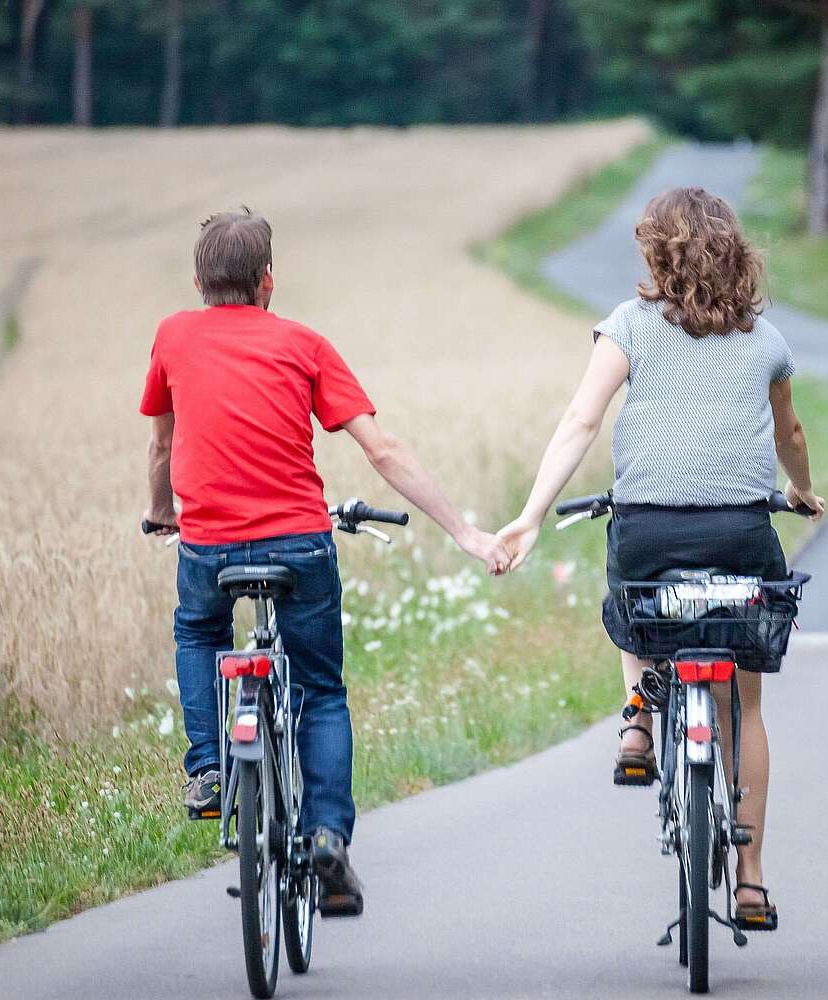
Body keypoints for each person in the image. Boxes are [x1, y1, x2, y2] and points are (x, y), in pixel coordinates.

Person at [141, 207, 508, 917]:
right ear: (269, 282)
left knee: (199, 632)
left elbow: (162, 446)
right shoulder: (305, 344)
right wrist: (465, 531)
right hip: (299, 544)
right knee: (320, 689)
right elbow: (382, 449)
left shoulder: (172, 336)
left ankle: (210, 770)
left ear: (197, 281)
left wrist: (164, 515)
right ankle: (329, 837)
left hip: (208, 545)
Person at [496, 186, 824, 932]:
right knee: (744, 709)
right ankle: (750, 881)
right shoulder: (766, 341)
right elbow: (791, 436)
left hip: (649, 536)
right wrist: (800, 492)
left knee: (630, 602)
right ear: (735, 253)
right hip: (741, 537)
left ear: (656, 252)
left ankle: (638, 717)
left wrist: (530, 514)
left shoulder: (628, 327)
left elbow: (583, 419)